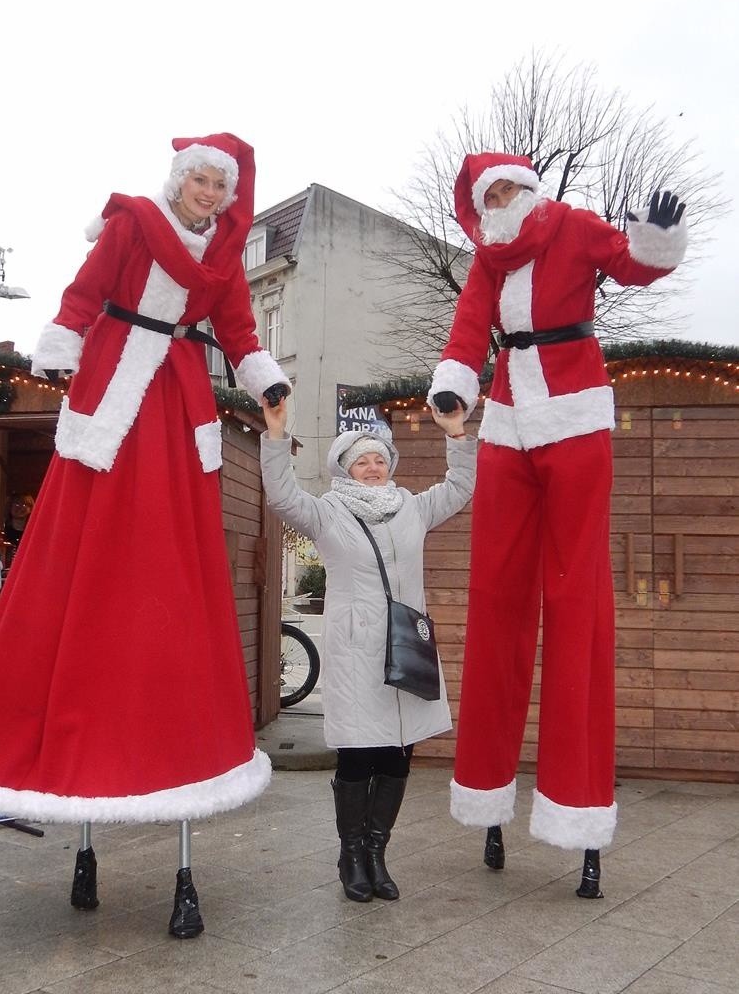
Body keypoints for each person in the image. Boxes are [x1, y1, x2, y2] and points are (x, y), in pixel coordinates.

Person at [0, 132, 290, 936]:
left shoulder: (226, 256)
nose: (205, 192)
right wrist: (60, 348)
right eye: (196, 178)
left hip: (181, 399)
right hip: (115, 387)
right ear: (179, 179)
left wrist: (267, 381)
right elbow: (83, 295)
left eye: (216, 185)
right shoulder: (130, 225)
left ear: (229, 195)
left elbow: (238, 331)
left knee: (176, 557)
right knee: (85, 541)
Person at [428, 152, 687, 897]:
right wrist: (453, 389)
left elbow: (632, 264)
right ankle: (485, 792)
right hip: (508, 422)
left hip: (575, 417)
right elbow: (466, 332)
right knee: (499, 601)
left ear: (531, 190)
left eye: (511, 188)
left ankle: (579, 811)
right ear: (483, 204)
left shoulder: (572, 226)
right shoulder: (486, 260)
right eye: (493, 193)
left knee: (577, 604)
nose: (504, 199)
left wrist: (654, 239)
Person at [260, 395, 475, 901]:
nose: (374, 467)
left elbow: (462, 486)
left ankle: (378, 852)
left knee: (400, 752)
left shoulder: (414, 509)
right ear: (345, 468)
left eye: (380, 459)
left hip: (407, 646)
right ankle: (351, 854)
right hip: (357, 651)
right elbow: (282, 495)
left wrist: (458, 436)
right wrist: (275, 436)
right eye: (363, 460)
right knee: (360, 754)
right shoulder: (327, 513)